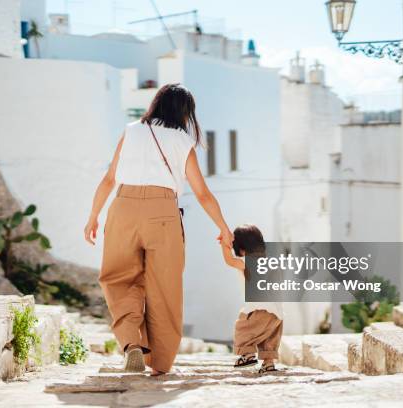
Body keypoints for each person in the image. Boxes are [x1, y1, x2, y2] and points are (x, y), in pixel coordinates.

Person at [84, 84, 233, 376]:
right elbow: (202, 193)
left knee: (119, 279)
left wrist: (93, 216)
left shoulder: (132, 130)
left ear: (156, 104)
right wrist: (224, 228)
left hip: (123, 208)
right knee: (165, 289)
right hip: (163, 212)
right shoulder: (183, 141)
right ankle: (161, 363)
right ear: (185, 113)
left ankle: (132, 345)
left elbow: (109, 179)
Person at [220, 224, 284, 374]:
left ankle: (247, 354)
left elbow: (229, 260)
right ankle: (268, 363)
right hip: (277, 312)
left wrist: (224, 242)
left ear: (241, 248)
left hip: (258, 308)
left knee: (243, 327)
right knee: (269, 337)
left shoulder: (245, 262)